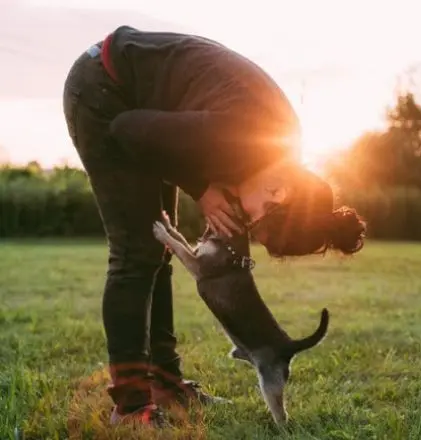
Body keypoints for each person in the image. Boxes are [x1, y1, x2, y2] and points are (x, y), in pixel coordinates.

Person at [62, 25, 366, 426]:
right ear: (280, 193)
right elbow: (126, 129)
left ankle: (166, 385)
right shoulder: (241, 136)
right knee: (136, 251)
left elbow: (174, 133)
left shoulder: (275, 149)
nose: (245, 221)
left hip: (137, 101)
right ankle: (132, 407)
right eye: (256, 221)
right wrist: (202, 187)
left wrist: (204, 183)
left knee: (157, 251)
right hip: (104, 90)